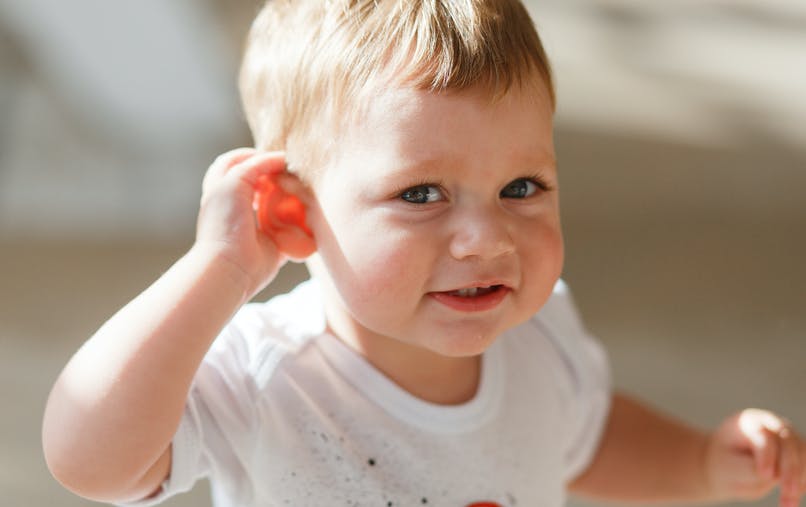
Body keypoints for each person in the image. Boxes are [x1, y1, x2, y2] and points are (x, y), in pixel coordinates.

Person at [42, 1, 806, 506]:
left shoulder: (539, 337)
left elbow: (588, 431)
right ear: (291, 212)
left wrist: (704, 460)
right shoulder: (266, 373)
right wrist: (220, 269)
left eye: (521, 184)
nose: (487, 237)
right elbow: (89, 456)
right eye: (420, 194)